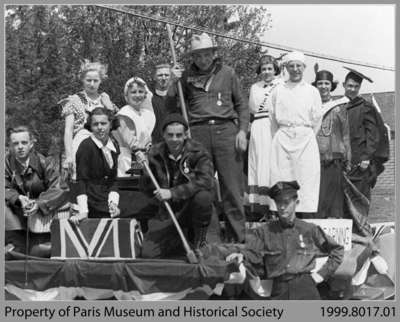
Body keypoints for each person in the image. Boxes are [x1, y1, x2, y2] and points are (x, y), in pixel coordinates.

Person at [167, 33, 249, 242]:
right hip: (198, 133)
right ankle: (210, 241)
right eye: (197, 56)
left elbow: (242, 105)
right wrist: (172, 84)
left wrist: (242, 131)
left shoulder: (228, 73)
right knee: (203, 189)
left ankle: (238, 241)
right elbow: (171, 109)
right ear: (192, 58)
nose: (202, 60)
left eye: (206, 55)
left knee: (232, 188)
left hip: (226, 133)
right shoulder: (184, 77)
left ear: (214, 54)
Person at [225, 181, 344, 300]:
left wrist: (320, 275)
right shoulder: (264, 232)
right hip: (279, 290)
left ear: (296, 203)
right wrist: (241, 255)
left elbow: (337, 250)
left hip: (305, 288)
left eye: (286, 202)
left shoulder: (309, 230)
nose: (282, 207)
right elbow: (252, 253)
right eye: (278, 202)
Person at [138, 113, 214, 258]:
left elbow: (206, 181)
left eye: (179, 135)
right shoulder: (154, 153)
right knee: (148, 254)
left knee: (203, 197)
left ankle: (200, 239)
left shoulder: (198, 151)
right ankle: (178, 240)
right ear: (163, 135)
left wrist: (173, 192)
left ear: (185, 135)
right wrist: (145, 170)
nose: (174, 139)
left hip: (192, 207)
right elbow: (146, 190)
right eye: (170, 135)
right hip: (168, 210)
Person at [269, 51, 322, 218]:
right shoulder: (278, 90)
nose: (295, 69)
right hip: (283, 138)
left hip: (305, 139)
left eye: (298, 66)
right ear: (286, 68)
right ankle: (283, 216)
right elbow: (272, 119)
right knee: (282, 177)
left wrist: (305, 134)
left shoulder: (312, 91)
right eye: (291, 66)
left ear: (304, 68)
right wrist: (282, 135)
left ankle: (304, 217)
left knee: (306, 178)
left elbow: (317, 119)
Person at [5, 126, 67, 254]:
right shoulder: (5, 163)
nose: (20, 147)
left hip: (41, 218)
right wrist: (17, 198)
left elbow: (58, 188)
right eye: (15, 143)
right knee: (15, 251)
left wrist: (38, 204)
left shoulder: (45, 162)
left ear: (31, 144)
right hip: (16, 217)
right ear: (10, 145)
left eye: (24, 142)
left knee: (39, 251)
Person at [60, 60, 118, 180]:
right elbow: (68, 130)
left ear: (100, 81)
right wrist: (69, 156)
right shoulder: (74, 100)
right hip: (82, 143)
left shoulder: (105, 100)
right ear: (82, 80)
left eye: (95, 81)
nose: (92, 84)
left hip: (103, 143)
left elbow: (117, 125)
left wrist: (109, 107)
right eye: (88, 80)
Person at [342, 67, 385, 203]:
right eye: (349, 86)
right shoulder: (339, 106)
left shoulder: (365, 107)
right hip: (341, 161)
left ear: (359, 87)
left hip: (360, 162)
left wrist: (366, 157)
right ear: (344, 85)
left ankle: (360, 225)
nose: (352, 89)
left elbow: (373, 135)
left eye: (356, 86)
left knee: (359, 199)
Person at [312, 69, 351, 218]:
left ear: (331, 86)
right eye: (320, 83)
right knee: (317, 197)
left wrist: (348, 159)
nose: (323, 86)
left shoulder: (339, 107)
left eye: (326, 83)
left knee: (334, 200)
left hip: (335, 158)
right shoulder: (311, 107)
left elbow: (346, 134)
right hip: (314, 158)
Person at [71, 108, 120, 223]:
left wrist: (113, 203)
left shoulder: (114, 146)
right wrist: (83, 211)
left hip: (106, 198)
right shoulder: (86, 146)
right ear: (90, 126)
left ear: (110, 124)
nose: (100, 127)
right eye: (95, 124)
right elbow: (81, 180)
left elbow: (113, 180)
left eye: (103, 123)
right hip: (91, 200)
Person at [248, 55, 282, 215]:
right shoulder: (254, 87)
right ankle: (261, 207)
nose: (267, 72)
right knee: (258, 163)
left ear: (275, 70)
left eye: (270, 68)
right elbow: (251, 109)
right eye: (264, 69)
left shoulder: (281, 85)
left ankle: (275, 206)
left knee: (271, 164)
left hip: (273, 125)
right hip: (258, 127)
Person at [113, 77, 156, 177]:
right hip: (129, 159)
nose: (137, 95)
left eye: (140, 92)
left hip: (145, 159)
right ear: (126, 96)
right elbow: (128, 139)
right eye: (133, 92)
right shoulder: (124, 114)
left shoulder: (146, 114)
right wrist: (138, 151)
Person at [151, 63, 172, 143]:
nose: (163, 78)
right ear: (154, 77)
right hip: (156, 144)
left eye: (166, 75)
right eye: (160, 75)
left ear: (171, 77)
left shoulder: (177, 99)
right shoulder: (149, 99)